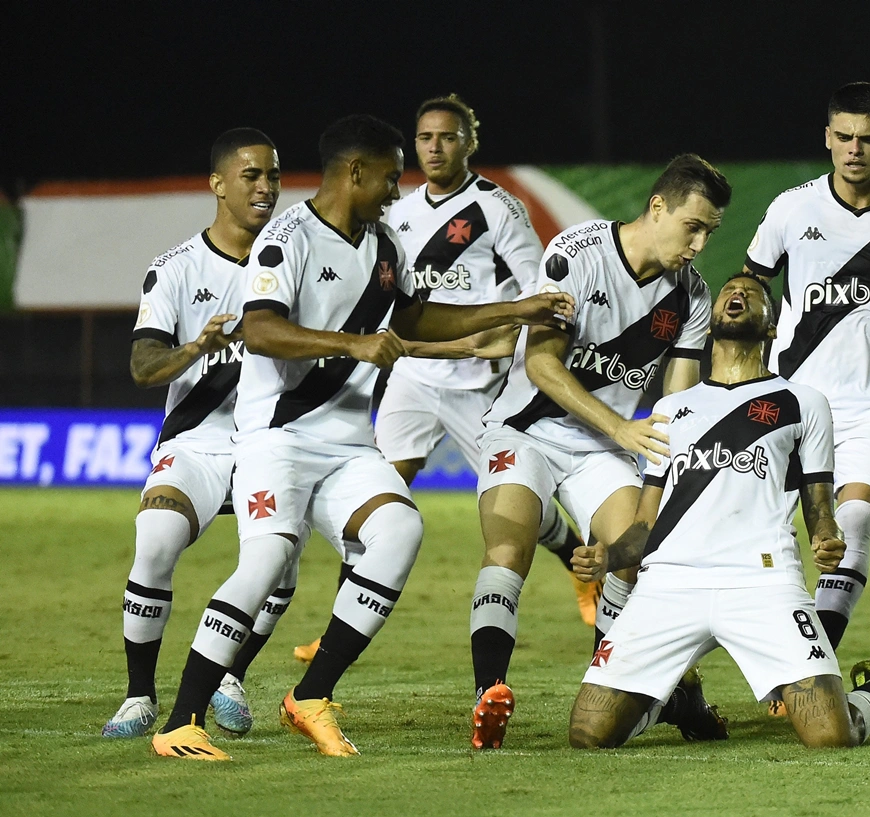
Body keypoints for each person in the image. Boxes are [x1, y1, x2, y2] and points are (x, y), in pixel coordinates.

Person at [149, 114, 574, 761]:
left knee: (399, 530)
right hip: (278, 438)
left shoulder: (383, 244)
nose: (396, 190)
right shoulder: (285, 239)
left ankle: (311, 694)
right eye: (388, 174)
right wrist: (353, 343)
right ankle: (181, 719)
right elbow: (259, 330)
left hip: (347, 443)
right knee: (264, 562)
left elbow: (412, 315)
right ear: (354, 172)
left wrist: (513, 309)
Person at [291, 96, 594, 667]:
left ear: (468, 143)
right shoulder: (398, 214)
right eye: (425, 137)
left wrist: (509, 337)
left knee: (515, 501)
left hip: (480, 384)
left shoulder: (497, 209)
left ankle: (575, 557)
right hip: (414, 375)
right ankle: (335, 632)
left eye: (447, 137)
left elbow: (538, 289)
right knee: (376, 496)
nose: (434, 147)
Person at [567, 274, 870, 748]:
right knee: (587, 734)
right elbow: (644, 526)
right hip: (670, 584)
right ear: (713, 320)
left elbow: (819, 504)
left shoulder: (803, 403)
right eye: (728, 292)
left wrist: (826, 537)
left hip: (762, 581)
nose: (736, 296)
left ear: (772, 328)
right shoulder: (672, 409)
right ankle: (679, 703)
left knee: (829, 737)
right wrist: (609, 557)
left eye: (751, 294)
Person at [468, 154, 731, 750]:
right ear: (657, 207)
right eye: (692, 226)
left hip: (597, 449)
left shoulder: (690, 295)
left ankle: (604, 686)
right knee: (508, 549)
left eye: (709, 232)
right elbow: (540, 363)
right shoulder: (578, 254)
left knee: (632, 557)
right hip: (524, 430)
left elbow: (678, 399)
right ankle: (490, 693)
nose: (698, 244)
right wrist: (619, 427)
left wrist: (685, 460)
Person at [742, 82, 870, 656]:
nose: (854, 149)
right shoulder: (791, 208)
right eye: (844, 137)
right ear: (828, 139)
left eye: (867, 138)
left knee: (853, 521)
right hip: (791, 399)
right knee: (754, 534)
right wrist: (743, 372)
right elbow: (750, 288)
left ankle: (812, 663)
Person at [104, 128, 296, 739]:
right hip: (196, 444)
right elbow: (143, 368)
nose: (266, 187)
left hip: (269, 445)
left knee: (278, 564)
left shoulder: (296, 260)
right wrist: (196, 347)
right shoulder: (175, 270)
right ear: (217, 184)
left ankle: (229, 676)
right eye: (251, 176)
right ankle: (139, 697)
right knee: (156, 536)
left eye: (273, 175)